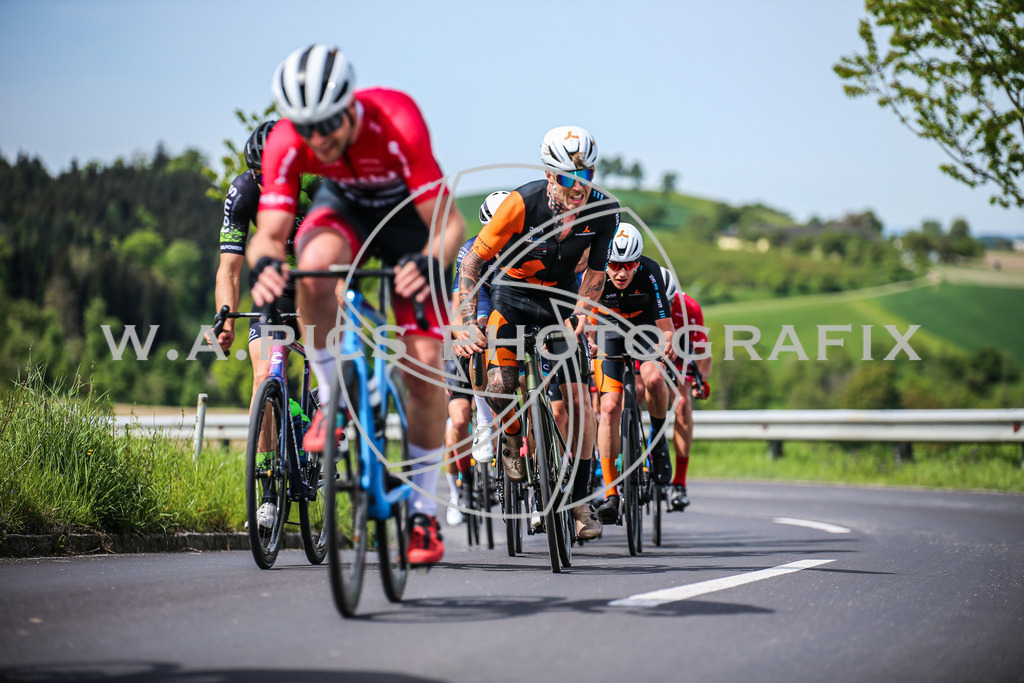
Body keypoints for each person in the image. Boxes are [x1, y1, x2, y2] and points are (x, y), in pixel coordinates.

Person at [248, 45, 466, 566]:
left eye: (326, 123)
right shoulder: (287, 140)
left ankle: (421, 514)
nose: (317, 138)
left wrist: (432, 261)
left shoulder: (397, 120)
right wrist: (263, 266)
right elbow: (268, 235)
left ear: (349, 105)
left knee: (426, 367)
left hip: (408, 220)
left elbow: (450, 224)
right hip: (344, 208)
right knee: (314, 264)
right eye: (305, 127)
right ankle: (332, 398)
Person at [452, 126, 619, 541]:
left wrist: (583, 315)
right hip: (511, 299)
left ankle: (579, 500)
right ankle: (511, 439)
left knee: (581, 404)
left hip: (559, 303)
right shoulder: (520, 204)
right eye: (567, 179)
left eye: (586, 178)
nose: (578, 189)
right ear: (549, 176)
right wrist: (468, 320)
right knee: (499, 382)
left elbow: (596, 274)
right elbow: (472, 264)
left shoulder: (604, 212)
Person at [211, 120, 319, 529]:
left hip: (318, 276)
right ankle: (268, 489)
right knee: (263, 376)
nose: (266, 180)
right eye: (260, 173)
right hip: (275, 283)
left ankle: (323, 411)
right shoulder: (243, 190)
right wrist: (225, 317)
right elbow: (230, 269)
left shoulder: (315, 182)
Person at [589, 224, 676, 523]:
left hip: (645, 332)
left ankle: (659, 439)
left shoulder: (650, 272)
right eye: (614, 265)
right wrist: (588, 345)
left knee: (653, 378)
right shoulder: (596, 273)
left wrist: (667, 346)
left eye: (628, 266)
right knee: (610, 407)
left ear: (638, 262)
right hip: (608, 334)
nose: (621, 273)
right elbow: (587, 323)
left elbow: (666, 329)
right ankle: (611, 492)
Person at [443, 190, 508, 526]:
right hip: (468, 323)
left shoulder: (523, 249)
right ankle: (458, 493)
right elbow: (460, 305)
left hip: (505, 322)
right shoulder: (470, 251)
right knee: (457, 420)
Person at [661, 266, 712, 511]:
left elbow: (703, 353)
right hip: (645, 352)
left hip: (678, 355)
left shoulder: (689, 308)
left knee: (682, 405)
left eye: (670, 303)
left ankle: (679, 482)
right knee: (633, 392)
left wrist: (699, 382)